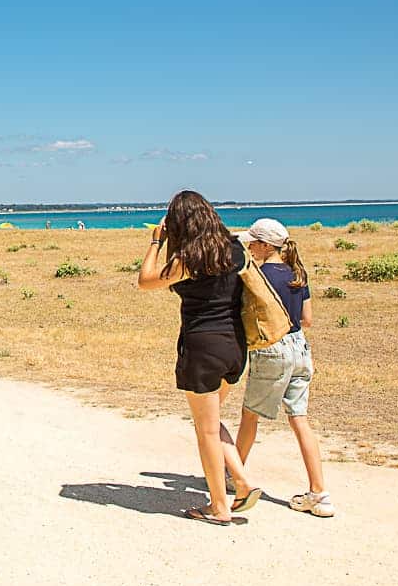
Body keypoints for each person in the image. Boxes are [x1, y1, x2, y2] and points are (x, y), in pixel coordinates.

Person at [137, 190, 261, 525]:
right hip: (235, 346)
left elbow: (145, 281)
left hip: (203, 346)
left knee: (205, 430)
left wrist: (156, 242)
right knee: (212, 419)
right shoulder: (234, 249)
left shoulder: (190, 258)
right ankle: (242, 481)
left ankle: (219, 507)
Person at [234, 219, 333, 517]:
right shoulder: (297, 274)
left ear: (266, 246)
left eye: (253, 243)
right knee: (299, 418)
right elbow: (307, 319)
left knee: (250, 415)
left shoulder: (257, 276)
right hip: (300, 346)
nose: (250, 247)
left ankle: (234, 475)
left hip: (272, 349)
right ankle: (319, 493)